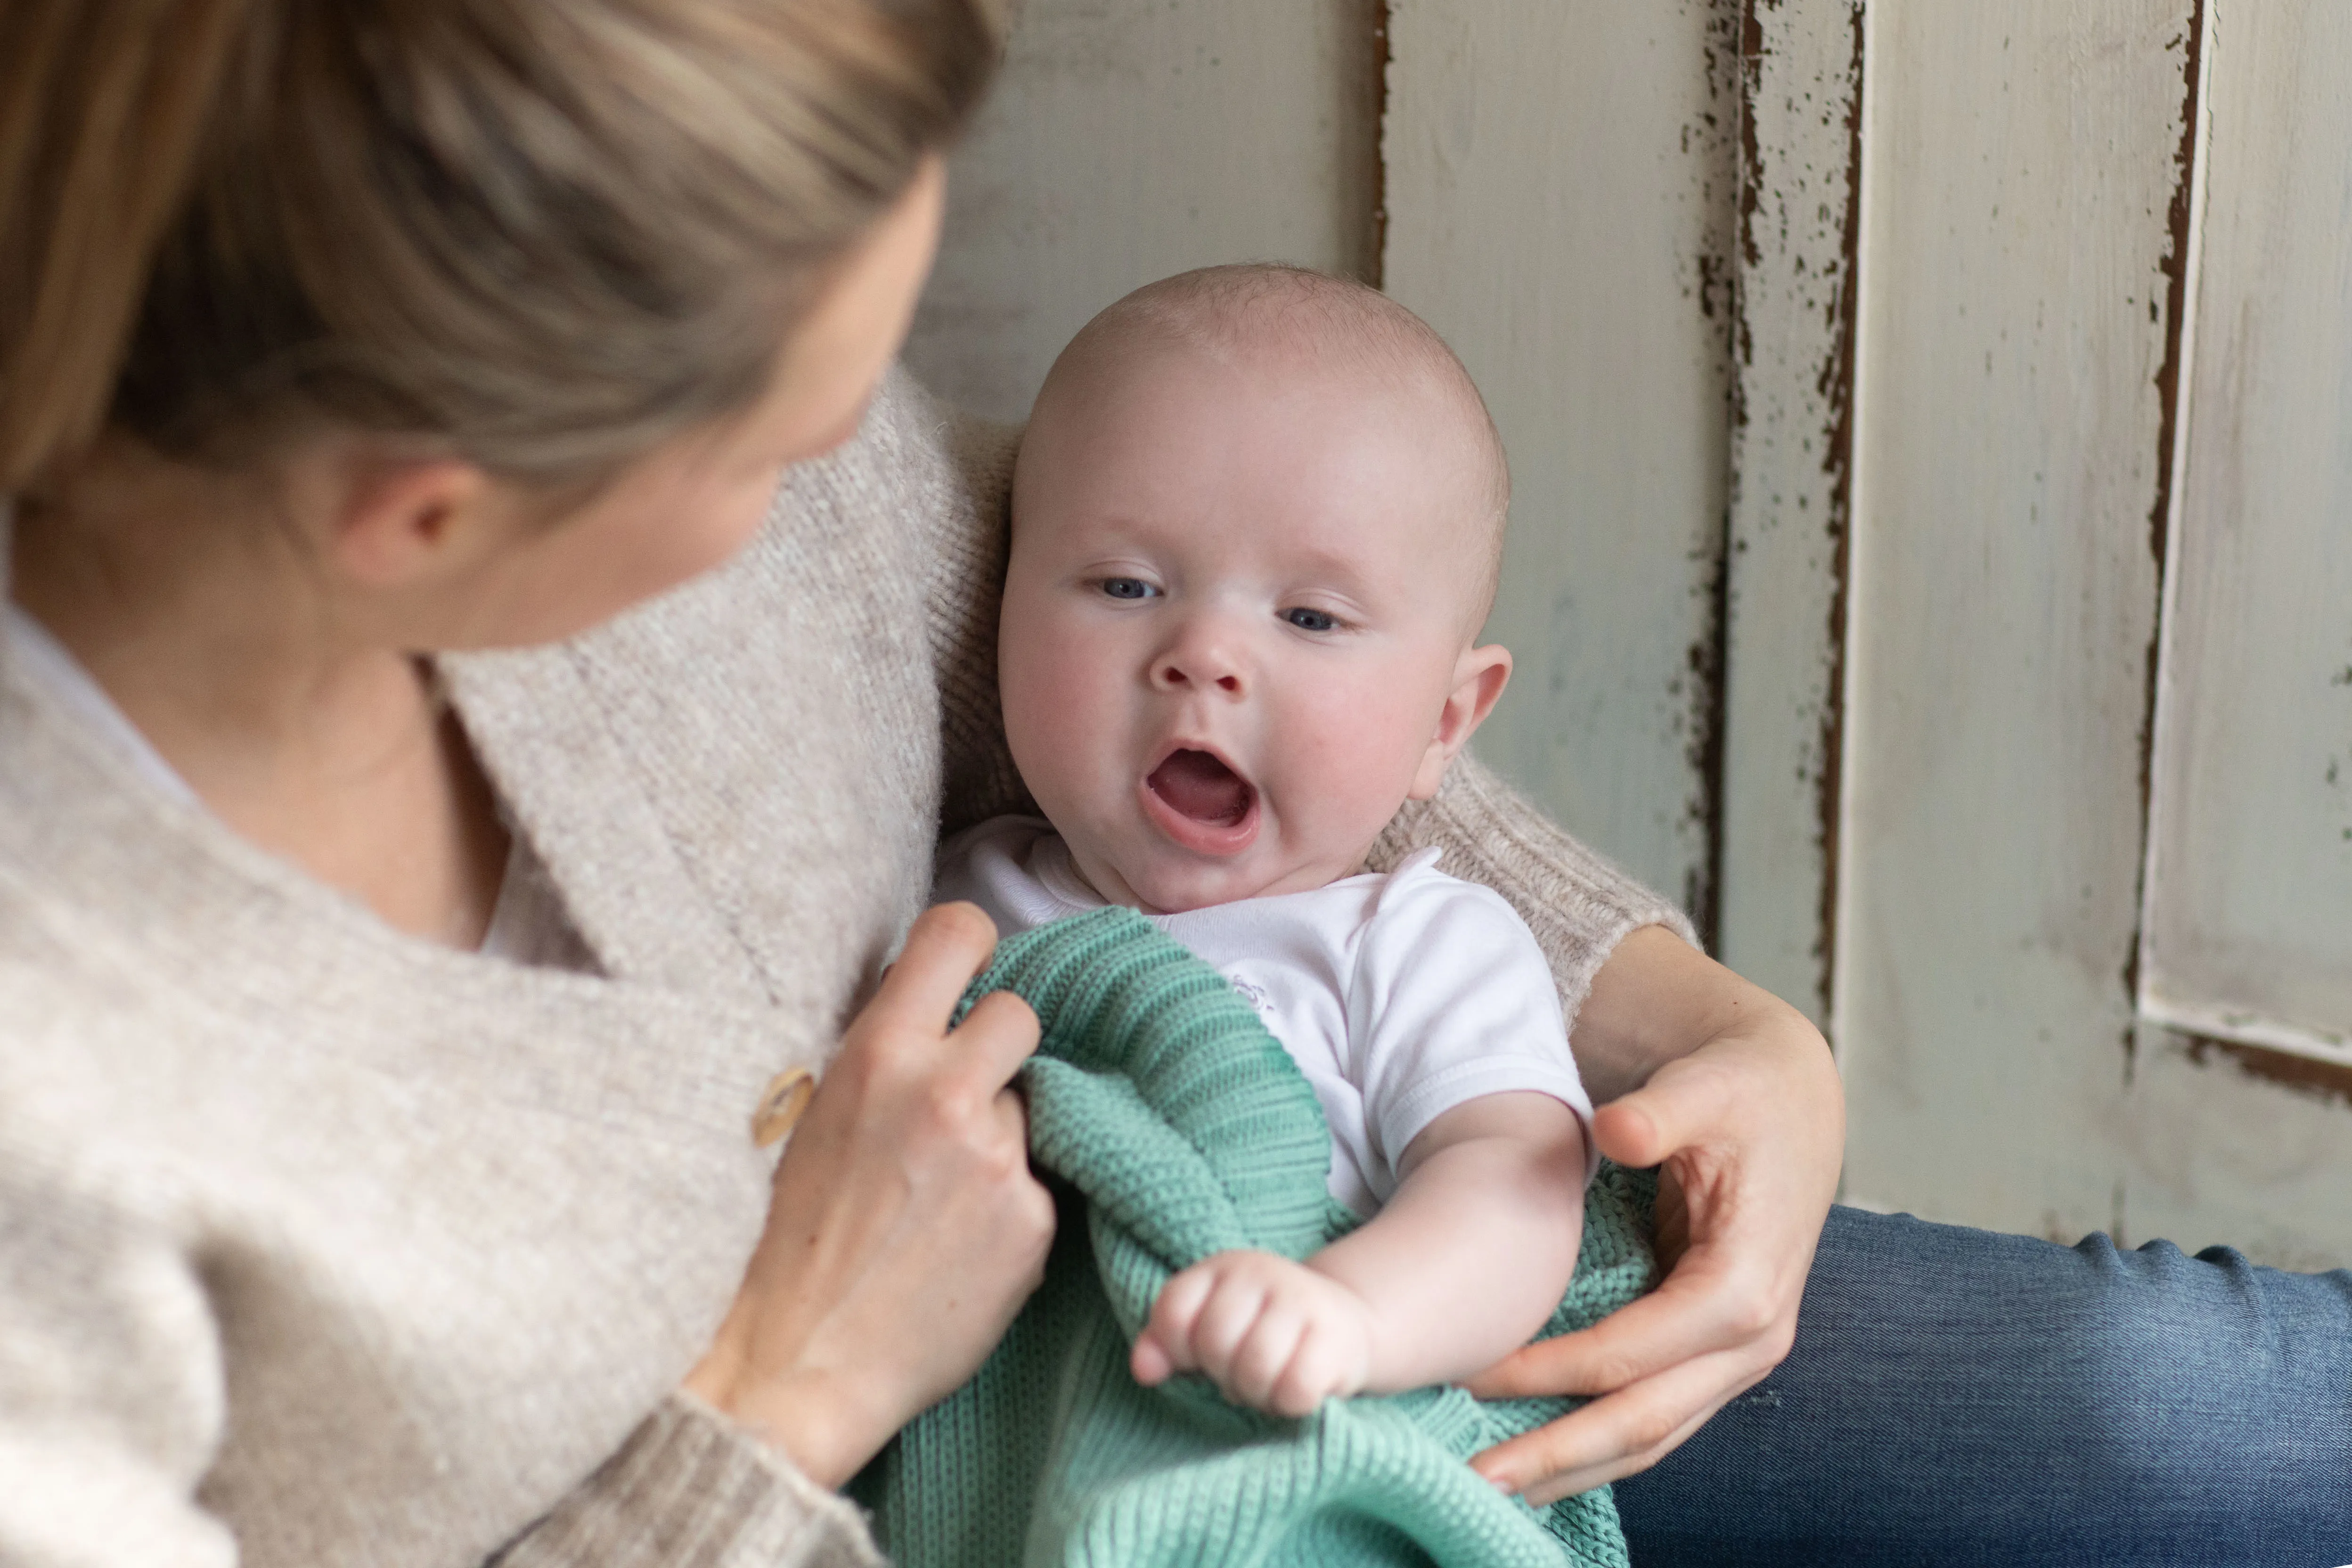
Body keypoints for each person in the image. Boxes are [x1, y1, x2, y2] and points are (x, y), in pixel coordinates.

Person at [9, 3, 2333, 1567]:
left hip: (1417, 1356)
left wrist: (1693, 1013)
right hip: (989, 1476)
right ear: (424, 518)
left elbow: (1105, 572)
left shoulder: (578, 332)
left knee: (2204, 1408)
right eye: (791, 440)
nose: (874, 478)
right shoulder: (65, 1149)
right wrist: (772, 1396)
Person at [937, 263, 1599, 1417]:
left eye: (1309, 617)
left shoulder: (1416, 944)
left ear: (1445, 722)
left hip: (1280, 1418)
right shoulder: (954, 903)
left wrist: (1349, 1314)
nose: (1204, 652)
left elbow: (1515, 1187)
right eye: (1125, 583)